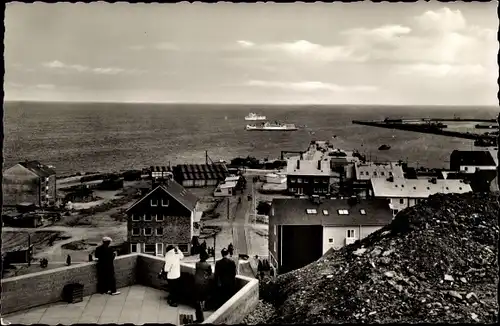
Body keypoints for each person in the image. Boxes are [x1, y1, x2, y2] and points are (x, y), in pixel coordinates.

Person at [194, 249, 212, 323]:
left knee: (198, 298)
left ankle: (199, 311)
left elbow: (196, 271)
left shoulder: (197, 264)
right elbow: (210, 273)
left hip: (197, 282)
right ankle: (203, 308)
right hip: (204, 283)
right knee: (203, 297)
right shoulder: (208, 265)